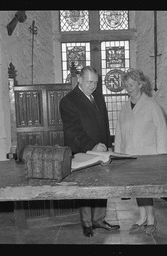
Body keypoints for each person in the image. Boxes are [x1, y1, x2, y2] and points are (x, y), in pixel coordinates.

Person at [59, 66, 120, 237]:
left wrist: (108, 145)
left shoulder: (98, 96)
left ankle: (99, 219)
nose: (93, 86)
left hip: (102, 150)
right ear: (79, 79)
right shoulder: (68, 101)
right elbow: (73, 131)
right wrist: (92, 145)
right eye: (89, 82)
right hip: (82, 151)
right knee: (85, 188)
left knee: (102, 186)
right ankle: (87, 224)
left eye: (96, 82)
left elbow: (105, 125)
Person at [114, 68, 167, 235]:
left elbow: (161, 130)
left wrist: (162, 156)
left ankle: (151, 220)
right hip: (130, 156)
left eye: (132, 84)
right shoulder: (124, 107)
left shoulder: (152, 105)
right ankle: (142, 217)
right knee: (137, 188)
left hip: (148, 156)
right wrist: (118, 153)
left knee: (146, 189)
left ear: (140, 84)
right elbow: (119, 132)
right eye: (126, 85)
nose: (129, 88)